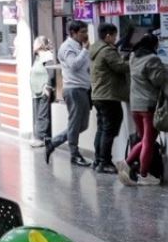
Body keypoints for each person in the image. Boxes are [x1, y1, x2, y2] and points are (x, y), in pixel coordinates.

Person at [45, 21, 94, 168]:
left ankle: (53, 142)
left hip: (83, 88)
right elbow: (73, 65)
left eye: (86, 31)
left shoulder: (78, 46)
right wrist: (85, 51)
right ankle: (74, 154)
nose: (85, 35)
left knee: (82, 125)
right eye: (82, 32)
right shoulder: (67, 47)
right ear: (73, 33)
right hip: (74, 89)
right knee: (74, 123)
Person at [123, 32, 168, 186]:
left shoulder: (133, 57)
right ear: (153, 45)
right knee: (148, 141)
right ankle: (143, 174)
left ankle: (126, 164)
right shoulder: (152, 59)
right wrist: (166, 69)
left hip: (135, 105)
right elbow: (158, 80)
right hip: (148, 105)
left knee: (144, 140)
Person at [90, 23, 130, 175]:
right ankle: (105, 162)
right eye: (114, 35)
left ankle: (98, 160)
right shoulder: (107, 51)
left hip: (99, 95)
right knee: (109, 129)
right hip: (108, 95)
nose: (116, 38)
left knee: (102, 128)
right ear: (108, 36)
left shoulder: (96, 48)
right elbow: (120, 67)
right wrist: (133, 61)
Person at [27, 37, 55, 150]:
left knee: (42, 115)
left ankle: (40, 138)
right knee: (38, 114)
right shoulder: (38, 57)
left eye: (35, 43)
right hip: (36, 91)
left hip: (43, 91)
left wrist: (47, 87)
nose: (33, 45)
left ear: (40, 45)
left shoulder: (47, 56)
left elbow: (51, 72)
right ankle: (38, 136)